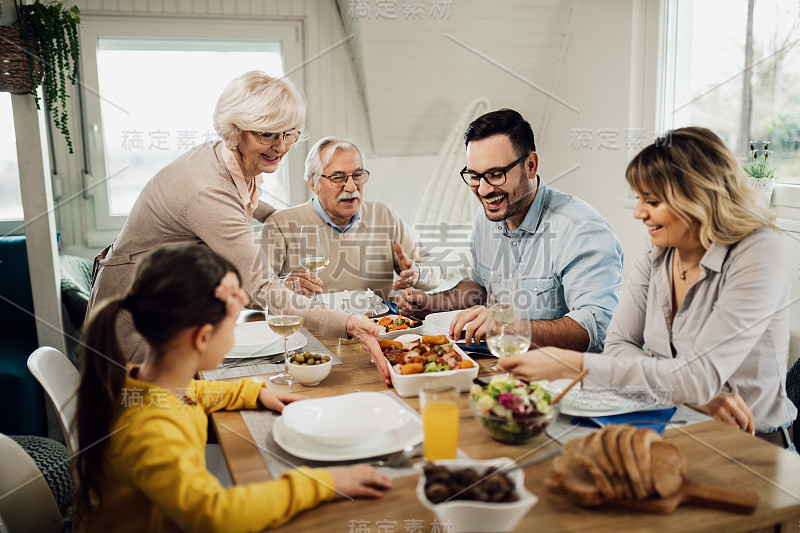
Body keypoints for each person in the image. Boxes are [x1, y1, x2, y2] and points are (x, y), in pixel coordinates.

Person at [499, 127, 797, 448]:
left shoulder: (758, 252)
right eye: (639, 198)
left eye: (652, 201)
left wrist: (572, 364)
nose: (640, 213)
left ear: (699, 198)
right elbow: (618, 344)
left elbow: (698, 377)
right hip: (671, 427)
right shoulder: (659, 247)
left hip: (752, 444)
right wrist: (689, 391)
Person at [86, 71, 389, 383]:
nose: (281, 147)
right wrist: (348, 322)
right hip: (136, 322)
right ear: (235, 130)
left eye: (289, 134)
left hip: (169, 307)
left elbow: (259, 208)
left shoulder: (236, 159)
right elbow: (261, 288)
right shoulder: (208, 190)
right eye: (267, 134)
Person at [74, 243, 392, 532]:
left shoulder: (145, 384)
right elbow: (216, 515)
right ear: (201, 338)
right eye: (233, 324)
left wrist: (252, 392)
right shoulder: (154, 430)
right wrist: (322, 482)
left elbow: (192, 395)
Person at [398, 108, 623, 352]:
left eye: (496, 174)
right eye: (474, 176)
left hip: (566, 380)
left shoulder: (581, 230)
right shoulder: (488, 216)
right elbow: (480, 287)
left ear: (531, 166)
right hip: (503, 367)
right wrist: (431, 304)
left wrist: (508, 327)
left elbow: (599, 328)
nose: (483, 190)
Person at [261, 136, 442, 300]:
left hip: (374, 328)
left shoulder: (384, 216)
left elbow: (436, 272)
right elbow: (251, 294)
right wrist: (283, 287)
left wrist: (417, 273)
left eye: (357, 175)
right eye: (338, 178)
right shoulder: (280, 224)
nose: (351, 186)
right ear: (313, 183)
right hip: (311, 332)